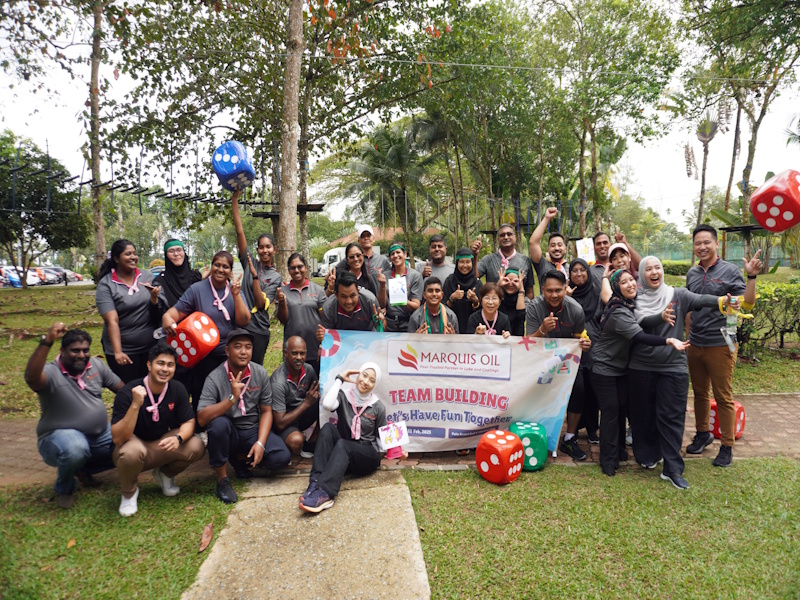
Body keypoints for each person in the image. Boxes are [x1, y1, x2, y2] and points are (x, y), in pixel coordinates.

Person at [629, 256, 737, 489]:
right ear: (641, 274)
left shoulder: (677, 295)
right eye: (648, 269)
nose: (654, 272)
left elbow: (700, 299)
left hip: (673, 366)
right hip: (641, 366)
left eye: (657, 267)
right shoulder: (635, 297)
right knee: (643, 415)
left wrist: (722, 301)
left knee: (671, 416)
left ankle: (673, 468)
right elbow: (638, 322)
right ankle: (648, 455)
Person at [591, 270, 690, 477]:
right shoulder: (619, 311)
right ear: (617, 288)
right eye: (624, 282)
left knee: (621, 410)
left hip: (621, 368)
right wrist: (668, 340)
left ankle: (619, 451)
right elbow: (641, 337)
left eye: (631, 280)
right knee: (611, 411)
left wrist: (660, 315)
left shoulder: (629, 305)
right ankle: (608, 460)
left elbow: (645, 317)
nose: (630, 284)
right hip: (604, 368)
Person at [685, 224, 762, 467]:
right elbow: (689, 307)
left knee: (723, 396)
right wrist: (688, 336)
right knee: (699, 393)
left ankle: (727, 445)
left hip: (720, 343)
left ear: (716, 244)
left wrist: (751, 277)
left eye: (707, 242)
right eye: (698, 243)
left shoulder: (730, 271)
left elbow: (747, 303)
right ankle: (702, 434)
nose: (702, 247)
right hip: (695, 343)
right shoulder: (692, 273)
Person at [25, 323, 124, 508]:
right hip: (58, 438)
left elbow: (122, 390)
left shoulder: (95, 365)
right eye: (75, 350)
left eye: (85, 350)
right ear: (62, 351)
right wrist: (47, 340)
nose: (81, 355)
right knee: (76, 448)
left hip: (99, 435)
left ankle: (82, 468)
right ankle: (65, 488)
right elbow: (31, 378)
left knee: (129, 439)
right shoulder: (51, 372)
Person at [197, 329, 291, 504]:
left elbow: (266, 411)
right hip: (229, 431)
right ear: (227, 351)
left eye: (248, 347)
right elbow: (202, 418)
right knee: (218, 425)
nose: (243, 352)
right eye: (238, 347)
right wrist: (231, 399)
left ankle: (239, 459)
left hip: (251, 430)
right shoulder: (214, 377)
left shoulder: (259, 373)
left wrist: (260, 443)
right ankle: (222, 481)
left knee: (281, 457)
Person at [111, 342, 205, 516]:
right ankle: (129, 492)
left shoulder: (177, 388)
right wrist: (135, 405)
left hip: (161, 444)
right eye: (160, 363)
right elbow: (118, 438)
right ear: (149, 365)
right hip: (133, 445)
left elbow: (188, 422)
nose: (165, 369)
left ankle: (165, 475)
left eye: (170, 365)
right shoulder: (128, 392)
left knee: (196, 446)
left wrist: (178, 438)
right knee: (130, 453)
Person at [163, 250, 251, 407]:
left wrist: (236, 295)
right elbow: (175, 312)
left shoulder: (235, 290)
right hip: (203, 355)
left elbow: (244, 321)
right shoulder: (197, 289)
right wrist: (167, 318)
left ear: (230, 271)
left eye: (225, 266)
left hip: (229, 354)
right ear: (211, 267)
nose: (220, 269)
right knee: (202, 392)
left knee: (227, 392)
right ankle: (201, 419)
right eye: (217, 265)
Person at [299, 362, 389, 513]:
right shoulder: (344, 395)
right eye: (364, 375)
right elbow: (328, 405)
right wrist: (339, 379)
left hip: (366, 456)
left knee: (343, 445)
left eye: (372, 380)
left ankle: (325, 493)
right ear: (358, 375)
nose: (366, 381)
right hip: (344, 454)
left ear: (375, 385)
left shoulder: (378, 406)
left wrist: (398, 452)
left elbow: (382, 438)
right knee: (327, 429)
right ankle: (315, 482)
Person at [526, 270, 592, 461]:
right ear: (543, 290)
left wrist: (585, 344)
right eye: (549, 291)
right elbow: (529, 342)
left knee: (578, 389)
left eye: (558, 290)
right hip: (540, 359)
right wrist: (542, 329)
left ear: (565, 288)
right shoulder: (534, 307)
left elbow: (579, 339)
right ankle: (535, 432)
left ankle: (570, 438)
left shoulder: (576, 309)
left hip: (567, 361)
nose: (554, 295)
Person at [96, 239, 161, 381]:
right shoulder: (106, 285)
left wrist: (154, 297)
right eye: (128, 254)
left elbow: (157, 310)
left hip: (150, 347)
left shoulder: (147, 277)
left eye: (134, 253)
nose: (133, 257)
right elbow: (112, 321)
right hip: (124, 350)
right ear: (116, 258)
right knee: (130, 388)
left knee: (150, 387)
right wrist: (118, 351)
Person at [232, 190, 282, 366]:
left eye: (268, 247)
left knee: (254, 370)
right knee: (238, 368)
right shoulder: (249, 262)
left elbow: (261, 304)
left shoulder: (276, 277)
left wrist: (254, 277)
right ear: (257, 249)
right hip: (241, 327)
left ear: (274, 249)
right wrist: (235, 200)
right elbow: (240, 232)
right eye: (261, 247)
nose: (264, 250)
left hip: (259, 330)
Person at [567, 258, 602, 445]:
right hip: (572, 346)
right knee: (577, 388)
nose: (579, 273)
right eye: (575, 270)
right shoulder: (566, 295)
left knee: (592, 388)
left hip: (593, 346)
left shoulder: (596, 293)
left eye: (582, 270)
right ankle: (574, 427)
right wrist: (568, 299)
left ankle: (592, 428)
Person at [271, 336, 321, 457]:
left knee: (327, 400)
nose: (299, 357)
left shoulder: (309, 370)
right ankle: (280, 442)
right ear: (285, 353)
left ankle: (313, 440)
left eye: (302, 353)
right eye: (294, 353)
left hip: (302, 415)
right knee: (296, 442)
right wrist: (306, 404)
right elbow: (280, 423)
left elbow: (318, 393)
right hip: (285, 422)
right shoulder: (278, 382)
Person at [276, 253, 327, 372]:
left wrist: (323, 345)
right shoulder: (283, 292)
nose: (297, 270)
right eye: (293, 268)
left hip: (314, 348)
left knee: (315, 380)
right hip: (293, 351)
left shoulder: (317, 290)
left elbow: (325, 319)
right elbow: (283, 319)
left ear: (306, 267)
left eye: (300, 266)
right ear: (289, 270)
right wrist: (282, 301)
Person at [317, 272, 384, 343]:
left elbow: (382, 328)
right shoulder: (328, 308)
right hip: (341, 344)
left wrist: (380, 322)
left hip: (368, 342)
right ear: (336, 295)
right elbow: (326, 339)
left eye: (352, 296)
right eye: (343, 297)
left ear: (358, 291)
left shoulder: (370, 300)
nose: (349, 301)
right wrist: (322, 336)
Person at [471, 224, 535, 298]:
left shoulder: (525, 260)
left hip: (519, 304)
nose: (506, 237)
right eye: (502, 235)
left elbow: (529, 292)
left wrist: (528, 305)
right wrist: (475, 255)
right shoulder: (488, 259)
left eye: (509, 234)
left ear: (515, 237)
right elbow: (474, 276)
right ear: (498, 239)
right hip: (493, 304)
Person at [152, 239, 207, 313]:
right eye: (171, 251)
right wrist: (153, 298)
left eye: (179, 250)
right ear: (166, 255)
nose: (176, 254)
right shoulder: (160, 282)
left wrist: (203, 281)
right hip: (170, 320)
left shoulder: (195, 277)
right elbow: (156, 314)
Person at [378, 242, 423, 332]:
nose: (395, 256)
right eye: (392, 254)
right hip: (389, 323)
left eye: (398, 252)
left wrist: (401, 298)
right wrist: (382, 286)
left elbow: (416, 306)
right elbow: (382, 305)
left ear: (405, 254)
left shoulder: (415, 276)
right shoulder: (385, 275)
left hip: (408, 323)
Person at [443, 247, 482, 333]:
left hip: (473, 329)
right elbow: (442, 308)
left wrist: (475, 301)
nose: (465, 265)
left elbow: (482, 311)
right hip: (451, 327)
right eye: (461, 262)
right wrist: (452, 298)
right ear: (457, 263)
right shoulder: (450, 281)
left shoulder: (477, 283)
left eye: (468, 262)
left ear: (472, 263)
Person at [529, 207, 569, 281]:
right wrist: (547, 218)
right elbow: (533, 242)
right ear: (548, 249)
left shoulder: (572, 269)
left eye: (560, 245)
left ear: (565, 249)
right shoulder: (542, 265)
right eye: (553, 245)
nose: (556, 248)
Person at [498, 269, 527, 336]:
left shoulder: (524, 300)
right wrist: (499, 285)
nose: (510, 284)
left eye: (515, 281)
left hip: (516, 336)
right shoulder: (499, 298)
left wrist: (521, 289)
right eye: (507, 280)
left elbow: (520, 317)